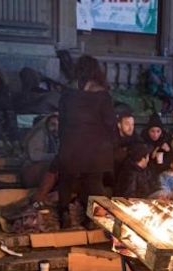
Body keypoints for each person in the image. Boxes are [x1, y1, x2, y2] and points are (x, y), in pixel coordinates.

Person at [56, 54, 117, 229]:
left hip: (71, 143)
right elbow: (110, 122)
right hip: (96, 147)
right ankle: (93, 219)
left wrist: (62, 141)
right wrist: (113, 142)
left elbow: (62, 119)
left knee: (66, 179)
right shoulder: (102, 95)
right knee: (93, 182)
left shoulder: (68, 92)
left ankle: (64, 214)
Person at [140, 113, 172, 180]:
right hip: (148, 172)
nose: (155, 135)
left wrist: (169, 151)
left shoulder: (165, 140)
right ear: (148, 131)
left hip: (163, 171)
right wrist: (151, 154)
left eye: (158, 131)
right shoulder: (142, 140)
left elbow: (172, 159)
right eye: (152, 131)